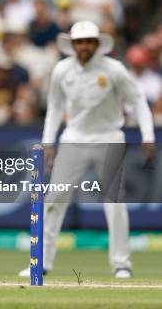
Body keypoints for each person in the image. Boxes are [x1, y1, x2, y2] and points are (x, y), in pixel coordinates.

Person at [18, 21, 155, 279]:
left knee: (114, 204)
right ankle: (42, 262)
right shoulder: (62, 70)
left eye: (88, 41)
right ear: (72, 45)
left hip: (109, 139)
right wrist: (49, 142)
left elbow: (137, 99)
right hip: (73, 140)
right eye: (79, 42)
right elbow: (55, 108)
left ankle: (121, 264)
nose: (84, 46)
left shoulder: (113, 70)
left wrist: (147, 135)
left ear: (97, 44)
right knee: (54, 201)